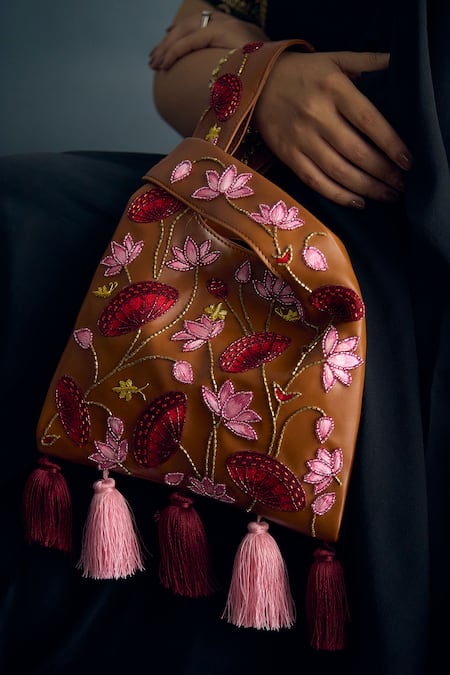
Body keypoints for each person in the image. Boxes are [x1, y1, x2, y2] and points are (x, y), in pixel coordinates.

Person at [0, 1, 448, 674]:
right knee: (18, 217)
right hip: (248, 207)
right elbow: (174, 67)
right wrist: (260, 80)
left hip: (401, 264)